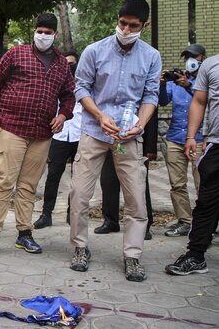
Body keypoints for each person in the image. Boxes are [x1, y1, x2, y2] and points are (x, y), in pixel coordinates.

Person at [69, 0, 161, 282]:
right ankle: (80, 248)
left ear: (143, 26)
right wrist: (99, 116)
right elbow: (81, 87)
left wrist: (141, 124)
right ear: (117, 20)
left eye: (133, 25)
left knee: (136, 198)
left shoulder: (151, 57)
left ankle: (132, 255)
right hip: (95, 132)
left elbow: (150, 96)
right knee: (79, 194)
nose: (126, 29)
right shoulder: (94, 51)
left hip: (128, 136)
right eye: (123, 23)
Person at [0, 13, 76, 257]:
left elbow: (68, 95)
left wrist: (63, 115)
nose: (43, 35)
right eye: (40, 30)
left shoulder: (62, 64)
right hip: (11, 127)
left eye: (48, 32)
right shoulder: (16, 54)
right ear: (34, 31)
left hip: (42, 133)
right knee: (4, 181)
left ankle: (24, 234)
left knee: (28, 186)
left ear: (55, 35)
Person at [165, 51, 219, 275]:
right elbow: (199, 101)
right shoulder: (212, 65)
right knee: (206, 201)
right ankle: (195, 255)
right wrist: (191, 136)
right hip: (216, 144)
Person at [159, 44, 207, 237]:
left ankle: (205, 226)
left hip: (200, 139)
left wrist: (189, 86)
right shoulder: (176, 79)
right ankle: (185, 221)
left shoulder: (208, 80)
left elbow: (208, 101)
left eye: (193, 56)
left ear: (203, 58)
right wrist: (162, 84)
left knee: (203, 184)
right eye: (187, 57)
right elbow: (162, 101)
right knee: (177, 185)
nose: (190, 60)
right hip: (175, 139)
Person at [34, 52, 82, 229]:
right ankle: (46, 214)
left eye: (72, 66)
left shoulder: (84, 87)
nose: (68, 69)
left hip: (79, 135)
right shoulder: (56, 84)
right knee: (53, 176)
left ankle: (72, 214)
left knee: (78, 178)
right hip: (59, 135)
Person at [94, 111, 157, 241]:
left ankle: (144, 226)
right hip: (110, 140)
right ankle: (110, 221)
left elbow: (151, 117)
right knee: (108, 181)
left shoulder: (142, 92)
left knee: (138, 185)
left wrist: (150, 147)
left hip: (134, 141)